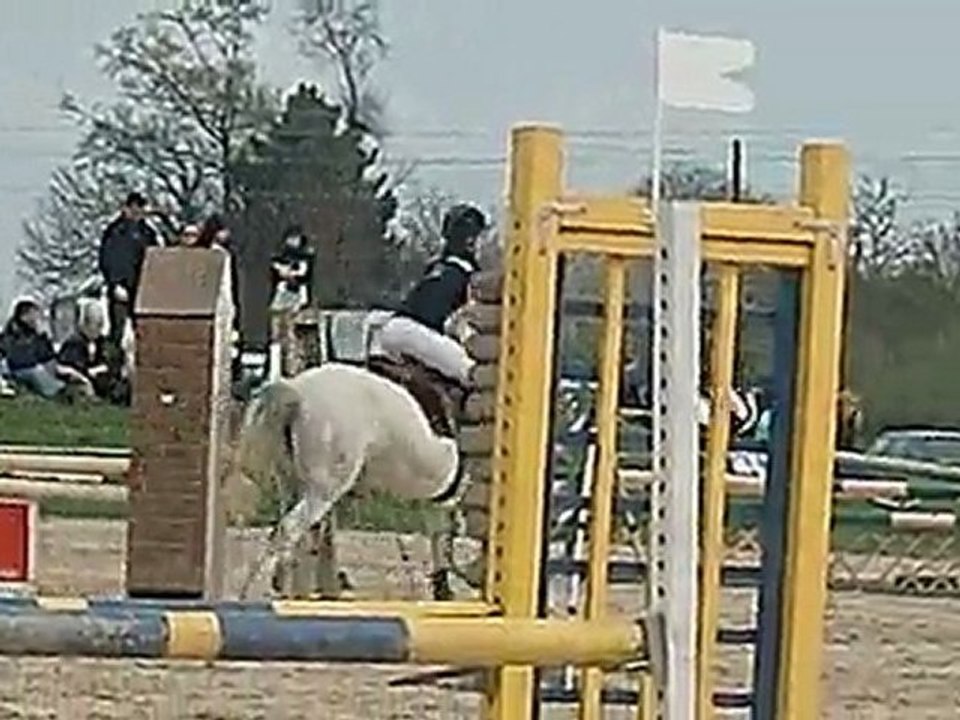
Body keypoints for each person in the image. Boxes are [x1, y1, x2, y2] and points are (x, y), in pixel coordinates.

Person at [377, 203, 488, 388]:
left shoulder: (439, 267)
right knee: (470, 371)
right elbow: (455, 321)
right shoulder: (463, 274)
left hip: (394, 328)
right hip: (417, 331)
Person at [98, 192, 158, 349]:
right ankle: (114, 368)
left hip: (143, 290)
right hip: (122, 289)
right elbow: (109, 259)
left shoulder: (149, 233)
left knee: (144, 332)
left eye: (140, 207)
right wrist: (116, 283)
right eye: (133, 207)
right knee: (118, 332)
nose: (137, 211)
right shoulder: (115, 231)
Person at [0, 299, 92, 400]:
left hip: (43, 368)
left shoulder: (37, 336)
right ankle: (58, 391)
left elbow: (48, 356)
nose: (37, 318)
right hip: (20, 370)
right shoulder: (13, 336)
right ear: (24, 317)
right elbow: (18, 358)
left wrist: (64, 369)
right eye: (33, 314)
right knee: (37, 372)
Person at [56, 300, 125, 403]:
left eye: (100, 325)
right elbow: (63, 367)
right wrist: (84, 376)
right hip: (79, 379)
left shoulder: (102, 342)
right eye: (95, 325)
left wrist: (102, 368)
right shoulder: (74, 342)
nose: (98, 329)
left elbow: (110, 361)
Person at [270, 225, 314, 312]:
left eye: (295, 238)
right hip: (283, 292)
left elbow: (303, 273)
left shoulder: (305, 256)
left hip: (299, 294)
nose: (293, 241)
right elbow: (275, 268)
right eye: (291, 238)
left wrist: (291, 273)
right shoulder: (282, 255)